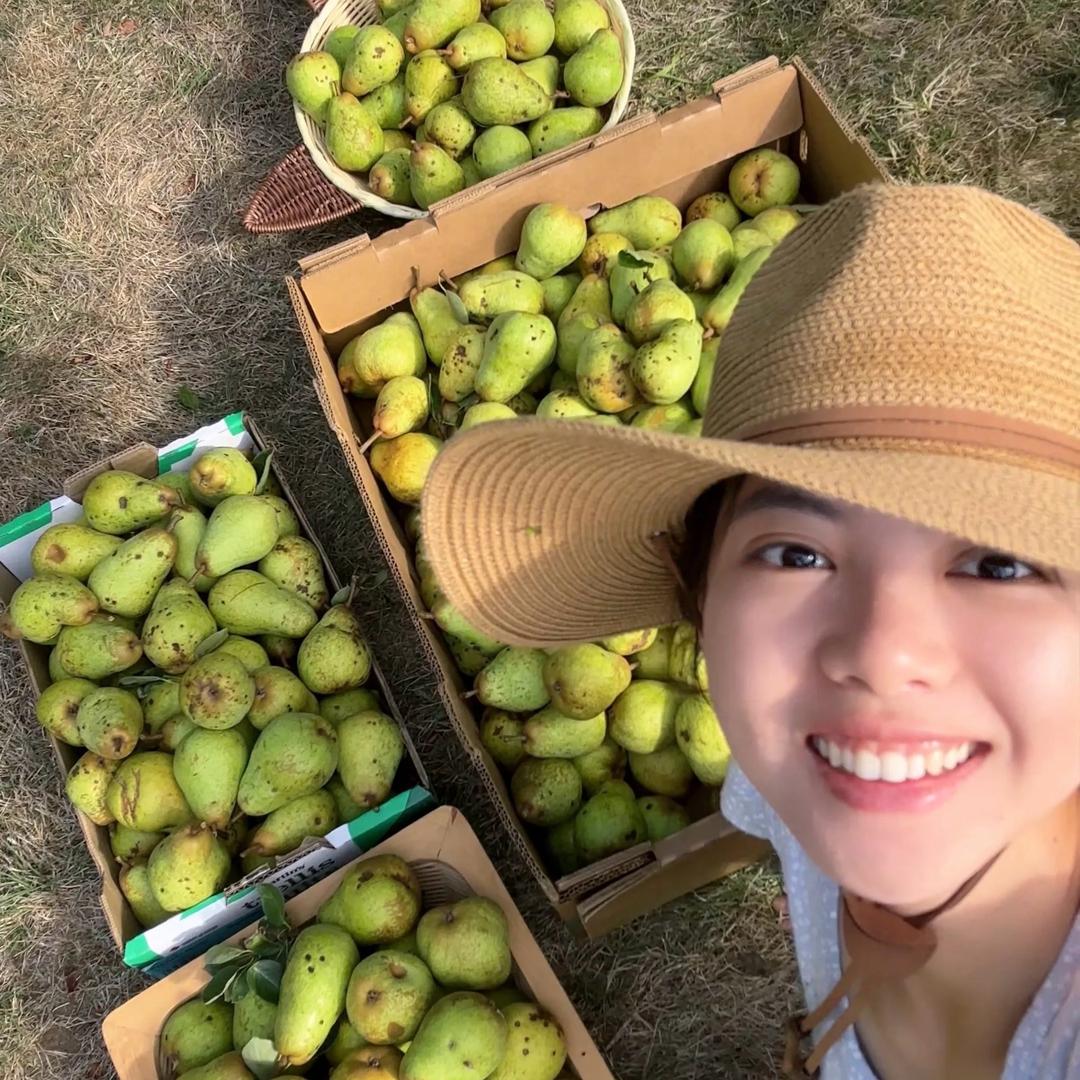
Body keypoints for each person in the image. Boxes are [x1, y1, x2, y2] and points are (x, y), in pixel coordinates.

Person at [419, 183, 1079, 1078]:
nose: (881, 655)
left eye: (1001, 564)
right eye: (796, 554)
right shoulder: (794, 787)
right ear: (702, 610)